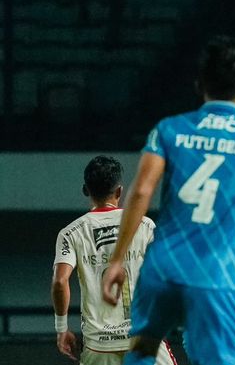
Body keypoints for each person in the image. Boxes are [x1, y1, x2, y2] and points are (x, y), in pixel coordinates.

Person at [101, 36, 235, 365]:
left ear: (200, 85)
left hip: (164, 264)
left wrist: (117, 259)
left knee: (142, 349)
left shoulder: (169, 129)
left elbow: (140, 192)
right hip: (215, 272)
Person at [51, 156, 175, 365]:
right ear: (119, 191)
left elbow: (59, 282)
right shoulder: (145, 225)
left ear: (85, 190)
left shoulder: (71, 233)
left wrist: (61, 328)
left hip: (99, 346)